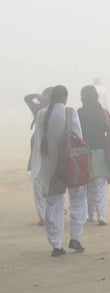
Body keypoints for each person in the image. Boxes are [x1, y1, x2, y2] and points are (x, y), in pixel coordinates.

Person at [30, 85, 87, 256]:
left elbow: (39, 141)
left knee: (53, 203)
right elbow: (78, 137)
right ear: (65, 97)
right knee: (78, 200)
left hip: (50, 167)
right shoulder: (70, 112)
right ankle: (75, 238)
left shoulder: (41, 114)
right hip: (70, 164)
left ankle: (56, 245)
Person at [78, 85, 110, 225]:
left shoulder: (80, 112)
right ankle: (101, 215)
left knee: (87, 186)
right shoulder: (104, 112)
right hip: (101, 153)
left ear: (83, 97)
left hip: (84, 153)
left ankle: (90, 214)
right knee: (100, 186)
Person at [24, 87, 54, 226]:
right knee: (38, 182)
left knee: (48, 183)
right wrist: (37, 95)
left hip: (51, 148)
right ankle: (42, 216)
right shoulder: (38, 109)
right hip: (37, 148)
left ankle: (48, 214)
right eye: (45, 95)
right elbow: (27, 98)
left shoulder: (56, 109)